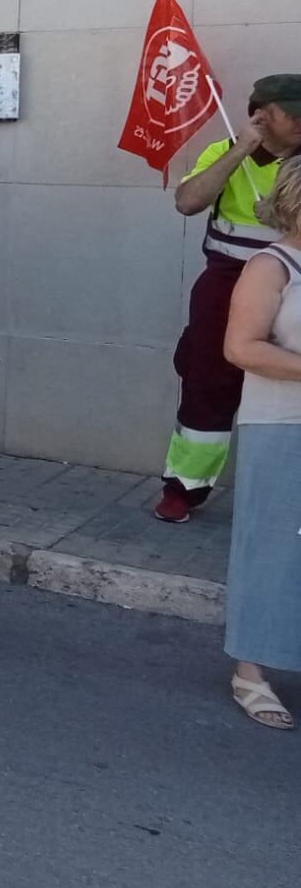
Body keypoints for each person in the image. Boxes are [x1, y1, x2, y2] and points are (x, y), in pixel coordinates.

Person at [156, 76, 301, 522]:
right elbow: (187, 202)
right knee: (207, 383)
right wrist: (241, 149)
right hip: (226, 283)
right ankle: (184, 489)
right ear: (260, 115)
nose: (299, 121)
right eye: (289, 113)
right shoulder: (224, 152)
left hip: (294, 283)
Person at [219, 156, 301, 729]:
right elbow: (242, 348)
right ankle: (250, 670)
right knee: (269, 546)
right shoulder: (271, 267)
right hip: (282, 422)